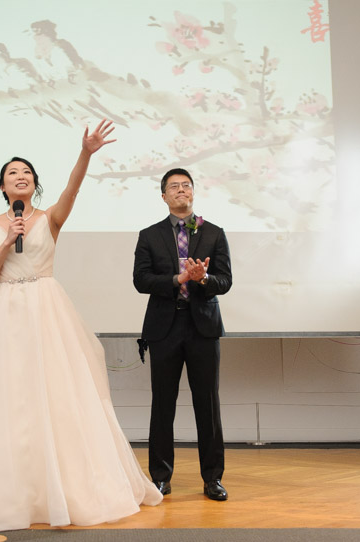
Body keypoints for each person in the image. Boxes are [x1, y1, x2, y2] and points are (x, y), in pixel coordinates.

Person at [0, 120, 162, 532]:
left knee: (57, 393)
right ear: (3, 187)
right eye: (13, 173)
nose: (20, 177)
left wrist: (87, 153)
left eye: (26, 172)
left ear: (34, 184)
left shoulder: (50, 218)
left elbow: (72, 190)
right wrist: (8, 240)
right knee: (10, 398)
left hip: (46, 308)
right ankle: (11, 489)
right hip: (5, 310)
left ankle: (63, 487)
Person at [132, 168, 232, 501]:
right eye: (173, 187)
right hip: (165, 328)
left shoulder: (214, 233)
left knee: (208, 405)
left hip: (203, 327)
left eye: (186, 185)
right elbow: (141, 280)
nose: (180, 190)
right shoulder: (149, 235)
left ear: (193, 193)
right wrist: (176, 279)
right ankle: (160, 477)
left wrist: (202, 279)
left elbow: (225, 282)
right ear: (164, 196)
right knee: (163, 405)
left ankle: (213, 478)